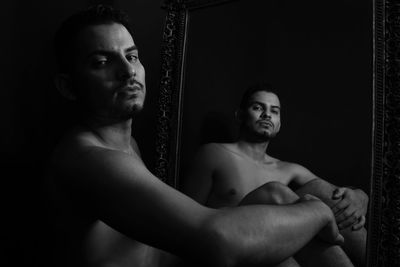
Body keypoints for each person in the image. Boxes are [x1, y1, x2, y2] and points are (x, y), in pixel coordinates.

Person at [47, 5, 349, 267]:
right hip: (191, 254)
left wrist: (352, 197)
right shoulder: (88, 159)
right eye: (102, 62)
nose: (128, 71)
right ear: (68, 86)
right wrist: (317, 211)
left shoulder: (127, 144)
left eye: (132, 56)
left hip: (173, 259)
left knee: (277, 195)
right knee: (285, 229)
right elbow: (217, 242)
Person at [182, 84, 369, 266]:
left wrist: (360, 196)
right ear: (240, 115)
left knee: (319, 190)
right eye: (257, 107)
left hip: (276, 247)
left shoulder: (288, 169)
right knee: (276, 191)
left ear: (279, 124)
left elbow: (333, 194)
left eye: (274, 111)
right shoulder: (214, 153)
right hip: (231, 245)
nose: (266, 115)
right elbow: (187, 217)